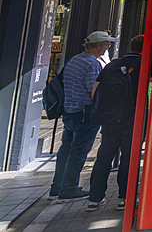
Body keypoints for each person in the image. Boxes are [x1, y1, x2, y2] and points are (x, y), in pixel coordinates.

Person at [50, 31, 118, 201]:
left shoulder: (74, 60)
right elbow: (93, 91)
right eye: (106, 44)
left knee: (66, 149)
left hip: (69, 111)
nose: (107, 47)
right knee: (79, 152)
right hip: (84, 113)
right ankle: (69, 188)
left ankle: (56, 187)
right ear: (98, 46)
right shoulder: (91, 64)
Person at [87, 35, 143, 211]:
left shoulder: (113, 64)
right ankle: (124, 198)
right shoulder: (144, 64)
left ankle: (94, 198)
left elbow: (95, 90)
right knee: (128, 157)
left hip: (110, 119)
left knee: (104, 156)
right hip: (132, 118)